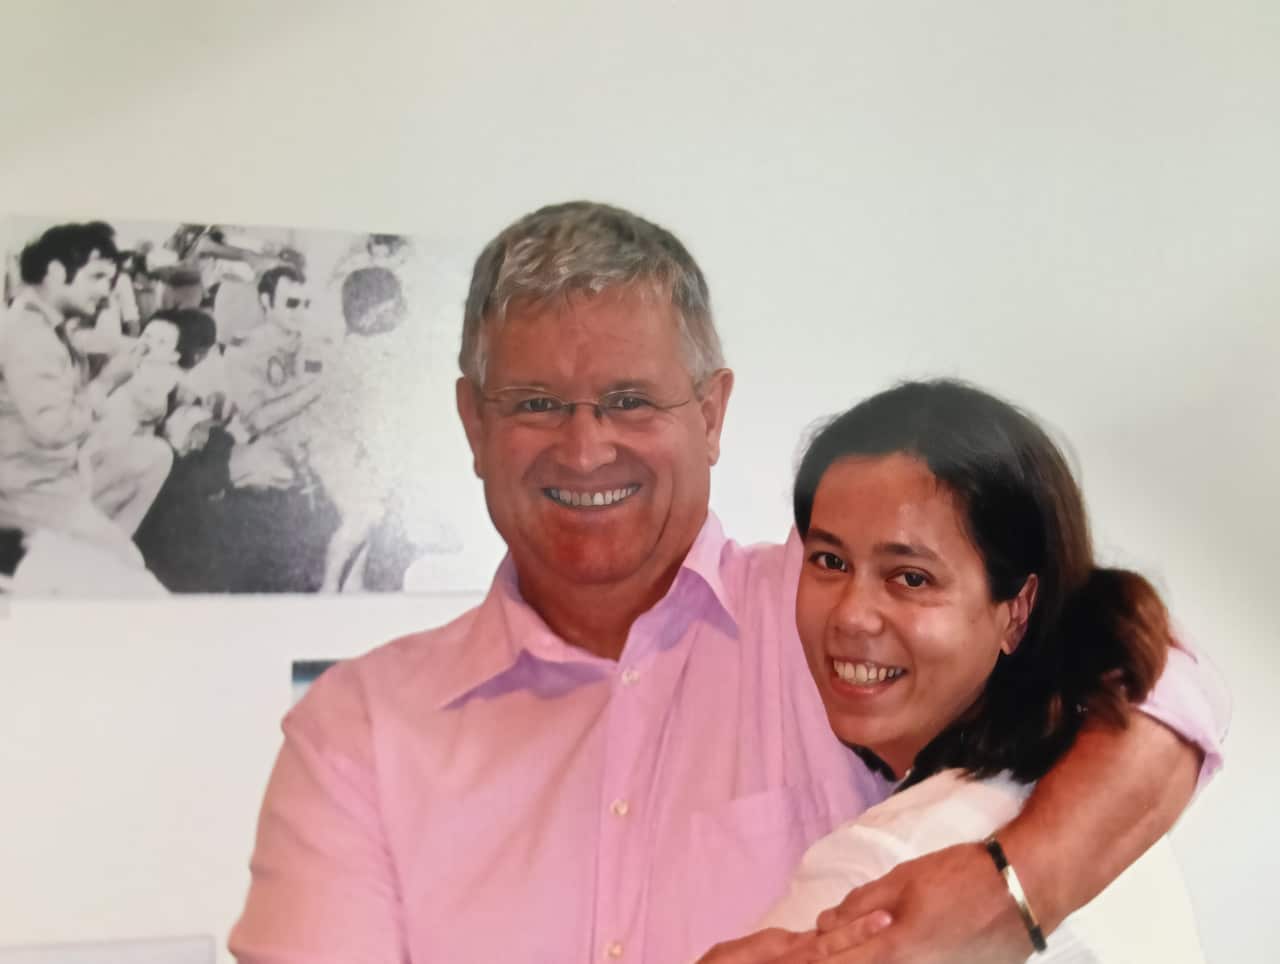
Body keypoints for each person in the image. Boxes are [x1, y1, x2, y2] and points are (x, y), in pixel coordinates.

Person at [229, 202, 1229, 963]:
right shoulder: (359, 729)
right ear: (471, 422)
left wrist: (1008, 892)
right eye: (535, 402)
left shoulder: (831, 611)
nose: (585, 448)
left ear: (711, 415)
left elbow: (1141, 668)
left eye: (630, 400)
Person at [698, 380, 1206, 963]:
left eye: (911, 577)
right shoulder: (1105, 824)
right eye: (830, 561)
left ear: (1018, 610)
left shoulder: (889, 872)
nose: (851, 616)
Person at [0, 221, 172, 565]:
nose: (106, 291)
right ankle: (90, 559)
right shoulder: (29, 335)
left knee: (154, 454)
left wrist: (113, 351)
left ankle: (87, 555)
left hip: (53, 475)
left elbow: (72, 352)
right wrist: (107, 382)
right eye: (96, 277)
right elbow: (54, 429)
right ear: (55, 272)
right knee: (129, 566)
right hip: (26, 491)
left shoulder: (42, 324)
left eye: (109, 280)